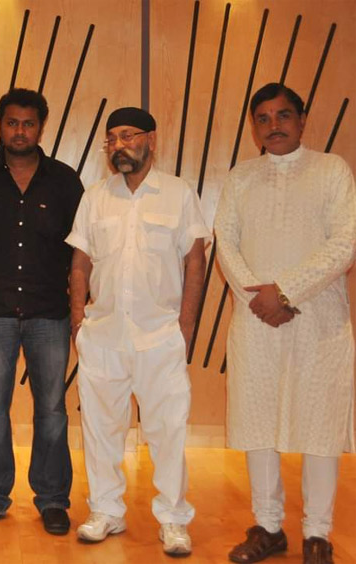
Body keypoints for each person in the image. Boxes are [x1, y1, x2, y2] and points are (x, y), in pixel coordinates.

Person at [215, 83, 356, 564]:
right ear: (253, 127)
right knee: (258, 422)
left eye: (283, 115)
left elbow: (345, 243)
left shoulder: (332, 170)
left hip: (320, 322)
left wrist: (286, 291)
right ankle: (268, 527)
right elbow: (225, 242)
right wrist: (260, 297)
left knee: (320, 425)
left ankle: (317, 534)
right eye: (263, 118)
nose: (273, 126)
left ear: (301, 119)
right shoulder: (241, 177)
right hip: (256, 320)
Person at [67, 107, 208, 556]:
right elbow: (80, 261)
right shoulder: (95, 197)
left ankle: (173, 519)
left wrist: (185, 326)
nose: (119, 146)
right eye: (112, 139)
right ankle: (106, 511)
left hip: (159, 336)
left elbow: (195, 260)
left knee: (168, 431)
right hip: (103, 336)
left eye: (128, 136)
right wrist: (78, 321)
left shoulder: (179, 193)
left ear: (151, 139)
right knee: (100, 429)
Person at [0, 88, 83, 535]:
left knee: (52, 409)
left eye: (28, 123)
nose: (20, 131)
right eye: (12, 123)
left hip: (50, 311)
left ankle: (52, 499)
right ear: (1, 125)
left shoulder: (65, 181)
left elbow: (80, 245)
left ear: (40, 127)